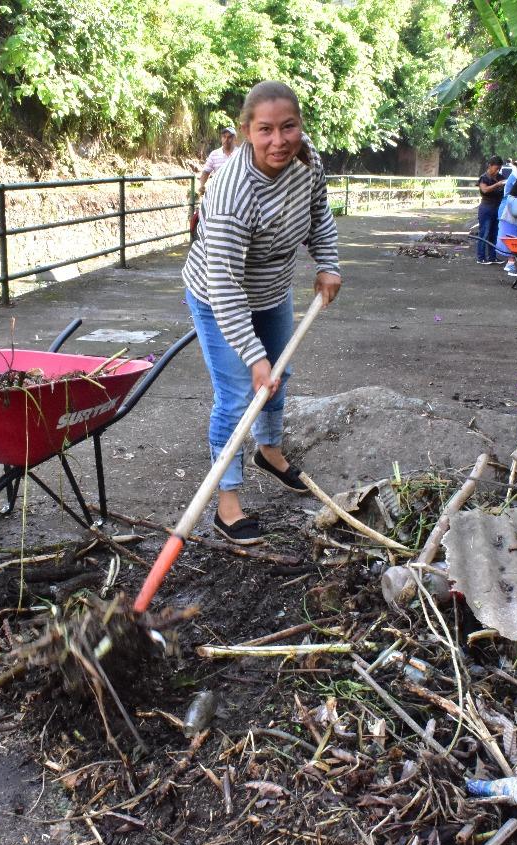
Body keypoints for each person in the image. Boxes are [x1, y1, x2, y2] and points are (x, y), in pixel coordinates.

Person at [181, 81, 342, 545]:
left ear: (300, 126)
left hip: (271, 290)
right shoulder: (232, 193)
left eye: (288, 127)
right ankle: (226, 503)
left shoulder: (306, 157)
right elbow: (224, 286)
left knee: (281, 375)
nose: (279, 140)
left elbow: (318, 213)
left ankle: (268, 451)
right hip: (219, 297)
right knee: (238, 397)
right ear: (246, 132)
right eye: (266, 130)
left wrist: (328, 263)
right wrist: (254, 356)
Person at [475, 156, 506, 264]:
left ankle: (492, 256)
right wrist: (497, 185)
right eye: (496, 168)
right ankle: (481, 257)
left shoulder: (501, 177)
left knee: (494, 233)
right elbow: (485, 189)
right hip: (486, 208)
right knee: (484, 232)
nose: (497, 170)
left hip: (497, 208)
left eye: (499, 168)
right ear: (490, 165)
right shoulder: (484, 178)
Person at [198, 126, 237, 193]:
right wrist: (202, 185)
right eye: (224, 137)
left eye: (229, 137)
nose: (226, 140)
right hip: (219, 192)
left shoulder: (240, 154)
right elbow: (206, 172)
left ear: (235, 139)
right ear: (221, 138)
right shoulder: (214, 154)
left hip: (236, 192)